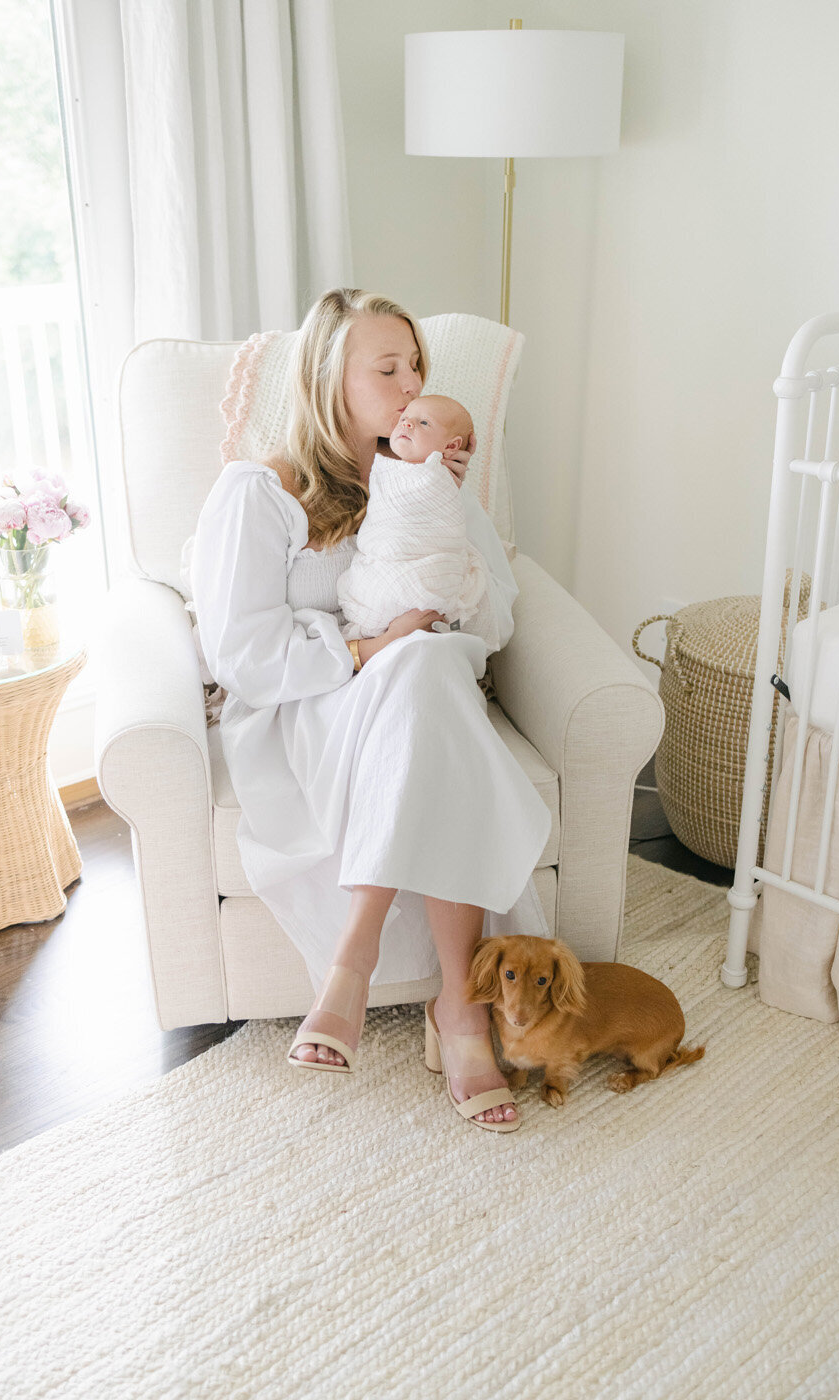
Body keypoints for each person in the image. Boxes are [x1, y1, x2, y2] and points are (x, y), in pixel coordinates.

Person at [191, 288, 552, 1131]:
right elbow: (239, 653)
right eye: (386, 369)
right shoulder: (260, 492)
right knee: (417, 676)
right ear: (328, 380)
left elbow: (495, 617)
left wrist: (449, 537)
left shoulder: (428, 483)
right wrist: (364, 649)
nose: (410, 384)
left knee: (426, 673)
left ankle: (353, 965)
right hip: (309, 708)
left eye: (416, 366)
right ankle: (458, 1013)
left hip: (420, 699)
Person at [336, 394, 491, 640]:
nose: (407, 424)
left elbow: (444, 536)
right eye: (405, 418)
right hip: (377, 581)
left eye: (424, 423)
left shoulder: (439, 478)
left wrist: (446, 487)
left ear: (451, 447)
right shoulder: (386, 469)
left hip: (424, 587)